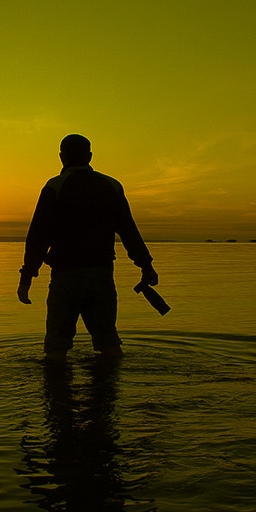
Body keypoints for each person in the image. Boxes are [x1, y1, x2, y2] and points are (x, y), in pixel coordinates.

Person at [18, 134, 158, 362]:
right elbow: (129, 232)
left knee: (56, 349)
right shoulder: (112, 186)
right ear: (90, 156)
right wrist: (146, 266)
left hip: (66, 276)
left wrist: (26, 278)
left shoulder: (54, 186)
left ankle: (56, 394)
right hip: (101, 275)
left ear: (62, 157)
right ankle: (110, 393)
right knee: (109, 343)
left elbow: (38, 237)